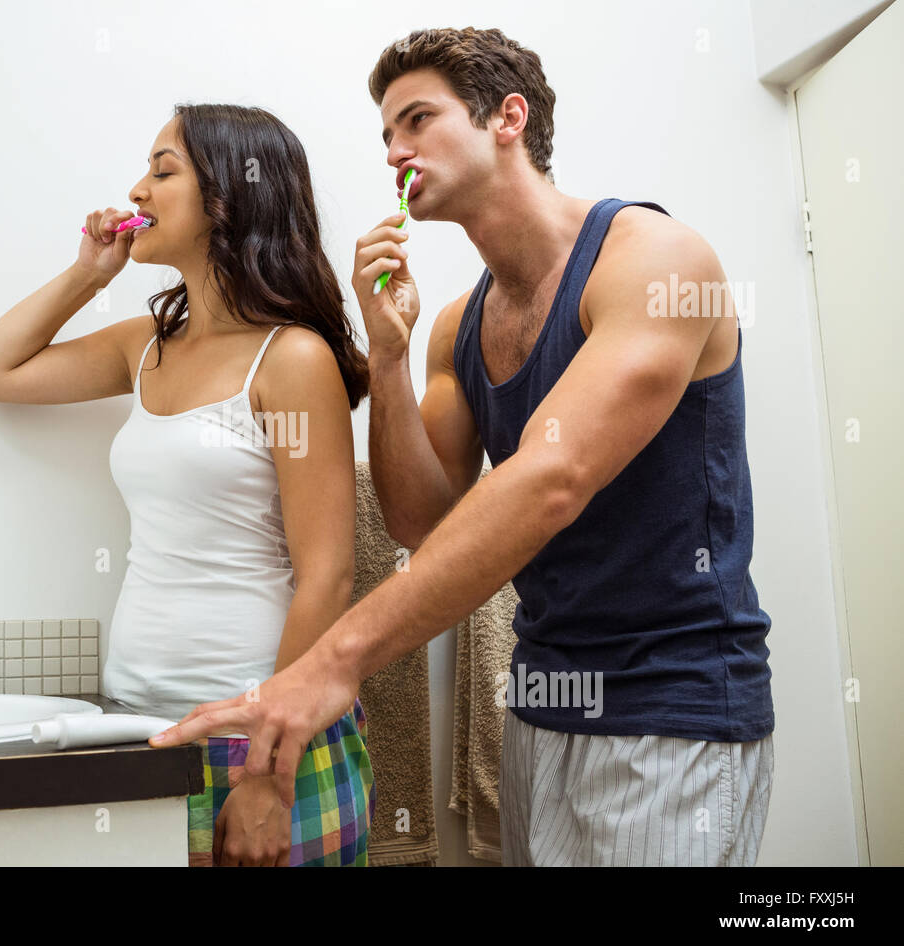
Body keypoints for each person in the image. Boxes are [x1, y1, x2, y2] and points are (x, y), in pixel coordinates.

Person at [150, 27, 776, 867]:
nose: (394, 150)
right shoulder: (459, 325)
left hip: (672, 705)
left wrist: (333, 661)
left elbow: (552, 478)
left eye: (416, 120)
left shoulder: (657, 261)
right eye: (384, 135)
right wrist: (389, 354)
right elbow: (418, 519)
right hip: (543, 704)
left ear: (507, 117)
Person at [0, 103, 375, 866]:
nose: (137, 190)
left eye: (162, 170)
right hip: (140, 724)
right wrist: (88, 275)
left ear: (228, 196)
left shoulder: (292, 360)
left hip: (257, 739)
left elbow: (328, 575)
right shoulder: (145, 346)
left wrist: (266, 778)